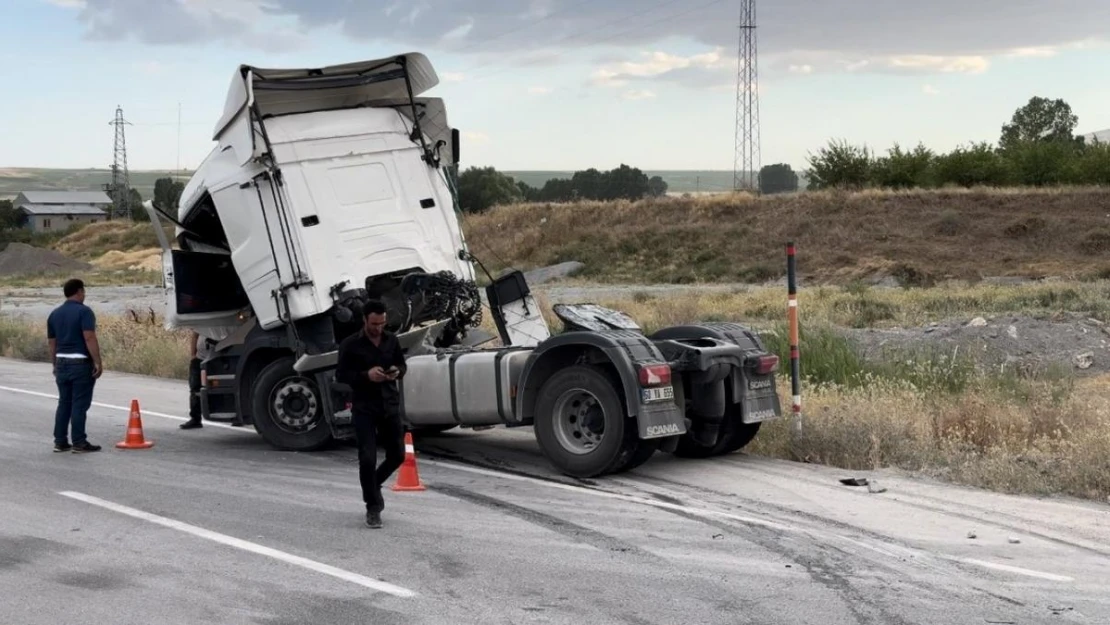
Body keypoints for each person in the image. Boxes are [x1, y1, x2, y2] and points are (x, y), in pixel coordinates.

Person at [335, 299, 407, 529]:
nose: (379, 328)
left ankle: (372, 485)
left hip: (389, 405)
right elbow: (341, 375)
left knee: (398, 456)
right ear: (365, 320)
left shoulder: (392, 340)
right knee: (367, 458)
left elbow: (402, 366)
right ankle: (373, 507)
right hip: (364, 407)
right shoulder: (350, 345)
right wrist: (366, 375)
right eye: (374, 324)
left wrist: (397, 372)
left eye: (382, 323)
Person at [46, 278, 102, 453]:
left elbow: (52, 343)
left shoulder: (54, 314)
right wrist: (98, 361)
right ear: (79, 292)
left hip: (62, 361)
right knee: (79, 404)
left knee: (64, 403)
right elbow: (89, 337)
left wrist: (54, 363)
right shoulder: (84, 312)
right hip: (79, 363)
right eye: (83, 291)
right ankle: (79, 441)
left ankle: (60, 441)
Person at [180, 330, 209, 430]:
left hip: (217, 357)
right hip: (199, 358)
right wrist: (193, 355)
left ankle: (236, 418)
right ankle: (195, 419)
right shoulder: (201, 321)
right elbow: (195, 336)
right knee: (195, 389)